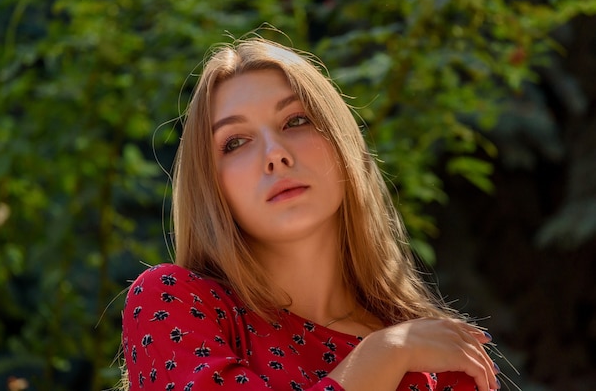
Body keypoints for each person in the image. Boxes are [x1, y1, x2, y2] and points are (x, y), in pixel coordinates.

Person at [121, 36, 500, 391]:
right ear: (211, 186)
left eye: (296, 121)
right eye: (235, 142)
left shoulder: (437, 357)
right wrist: (384, 354)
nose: (275, 154)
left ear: (341, 142)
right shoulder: (173, 303)